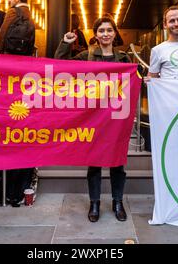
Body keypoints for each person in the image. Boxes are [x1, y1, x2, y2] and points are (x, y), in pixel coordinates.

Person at [55, 14, 131, 222]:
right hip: (94, 118)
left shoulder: (124, 58)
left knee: (117, 163)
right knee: (94, 162)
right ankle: (94, 203)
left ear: (114, 33)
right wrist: (65, 43)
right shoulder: (85, 56)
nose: (105, 34)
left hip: (117, 117)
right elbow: (59, 66)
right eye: (101, 31)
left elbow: (135, 80)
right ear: (95, 35)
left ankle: (117, 202)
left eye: (109, 30)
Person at [0, 0, 37, 206]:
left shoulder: (13, 12)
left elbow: (2, 37)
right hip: (25, 66)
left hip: (8, 65)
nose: (8, 0)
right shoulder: (30, 15)